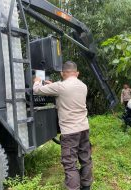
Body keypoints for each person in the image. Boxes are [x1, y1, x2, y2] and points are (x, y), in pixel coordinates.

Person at [33, 61, 92, 190]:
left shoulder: (60, 86)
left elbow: (37, 90)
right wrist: (53, 85)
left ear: (62, 73)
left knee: (70, 164)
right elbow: (67, 91)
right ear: (77, 73)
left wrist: (37, 80)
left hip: (70, 132)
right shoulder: (83, 85)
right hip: (84, 128)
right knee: (85, 159)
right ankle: (86, 186)